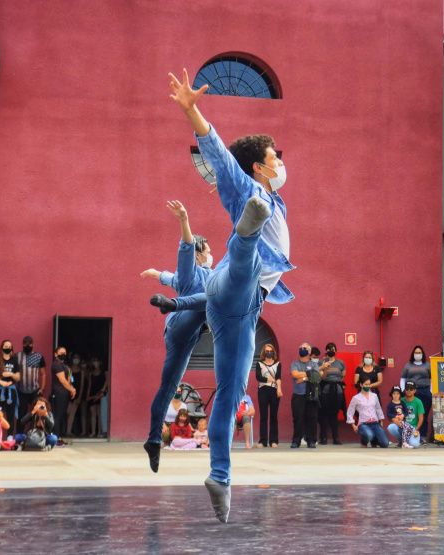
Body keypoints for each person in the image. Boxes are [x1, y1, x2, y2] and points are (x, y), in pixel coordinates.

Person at [168, 68, 296, 523]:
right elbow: (221, 156)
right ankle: (244, 236)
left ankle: (219, 478)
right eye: (274, 158)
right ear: (259, 167)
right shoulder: (245, 185)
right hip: (231, 278)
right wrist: (191, 109)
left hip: (238, 311)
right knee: (245, 258)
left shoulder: (275, 201)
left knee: (230, 392)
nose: (281, 163)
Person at [142, 199, 214, 471]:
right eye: (207, 250)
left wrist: (154, 273)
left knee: (168, 388)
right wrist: (184, 219)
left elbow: (167, 277)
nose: (211, 254)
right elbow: (186, 249)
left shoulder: (209, 274)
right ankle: (173, 304)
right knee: (212, 298)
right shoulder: (191, 271)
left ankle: (152, 441)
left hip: (185, 341)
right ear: (199, 254)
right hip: (179, 322)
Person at [0, 340, 21, 434]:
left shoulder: (14, 361)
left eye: (9, 346)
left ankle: (10, 436)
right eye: (5, 346)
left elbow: (18, 377)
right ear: (2, 347)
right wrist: (1, 382)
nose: (7, 348)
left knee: (10, 415)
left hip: (11, 390)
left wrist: (11, 374)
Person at [290, 344, 320, 449]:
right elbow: (294, 374)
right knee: (298, 418)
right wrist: (309, 374)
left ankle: (311, 440)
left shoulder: (314, 364)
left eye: (305, 348)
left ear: (309, 351)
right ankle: (296, 441)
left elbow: (316, 376)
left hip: (311, 395)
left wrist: (302, 378)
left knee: (312, 418)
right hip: (298, 395)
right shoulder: (295, 363)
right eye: (300, 348)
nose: (302, 350)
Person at [400, 346, 432, 441]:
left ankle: (423, 437)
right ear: (413, 354)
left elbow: (432, 379)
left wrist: (431, 391)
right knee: (410, 414)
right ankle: (409, 435)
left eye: (419, 352)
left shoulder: (427, 365)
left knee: (424, 415)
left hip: (425, 391)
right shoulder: (408, 366)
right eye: (416, 352)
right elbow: (403, 379)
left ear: (422, 354)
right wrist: (403, 390)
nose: (418, 354)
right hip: (411, 392)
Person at [16, 336, 46, 435]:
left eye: (29, 343)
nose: (27, 345)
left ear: (33, 344)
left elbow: (43, 374)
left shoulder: (39, 357)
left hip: (35, 390)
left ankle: (35, 434)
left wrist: (42, 388)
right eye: (25, 343)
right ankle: (19, 435)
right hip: (21, 390)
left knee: (37, 413)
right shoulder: (17, 356)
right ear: (22, 344)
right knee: (21, 414)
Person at [318, 342, 345, 446]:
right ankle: (323, 437)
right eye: (329, 349)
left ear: (336, 351)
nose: (331, 350)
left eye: (333, 349)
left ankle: (336, 438)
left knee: (334, 414)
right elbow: (322, 377)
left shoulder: (341, 363)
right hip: (325, 389)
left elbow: (343, 376)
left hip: (337, 390)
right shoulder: (321, 362)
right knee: (324, 415)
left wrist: (337, 381)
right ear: (326, 351)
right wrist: (326, 369)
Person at [255, 344, 282, 447]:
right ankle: (263, 440)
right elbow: (259, 377)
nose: (269, 353)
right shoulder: (259, 364)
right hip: (263, 390)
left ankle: (274, 440)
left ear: (273, 352)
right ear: (264, 352)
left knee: (274, 416)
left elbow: (279, 377)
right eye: (267, 351)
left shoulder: (278, 364)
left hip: (274, 390)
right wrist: (271, 379)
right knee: (263, 416)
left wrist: (279, 388)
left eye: (270, 351)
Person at [346, 383, 388, 448]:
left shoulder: (374, 396)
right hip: (363, 423)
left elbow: (378, 408)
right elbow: (350, 411)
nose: (367, 386)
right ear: (361, 385)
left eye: (369, 384)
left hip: (375, 422)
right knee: (369, 435)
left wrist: (381, 420)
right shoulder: (356, 398)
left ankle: (374, 441)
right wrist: (353, 424)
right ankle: (364, 442)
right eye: (366, 384)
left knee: (385, 443)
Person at [49, 346, 76, 445]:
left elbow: (69, 379)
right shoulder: (56, 365)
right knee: (57, 416)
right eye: (60, 352)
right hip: (58, 393)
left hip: (65, 393)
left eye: (64, 352)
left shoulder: (65, 365)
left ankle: (59, 437)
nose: (63, 354)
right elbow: (62, 381)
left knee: (62, 416)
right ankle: (56, 438)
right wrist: (72, 389)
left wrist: (71, 387)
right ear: (55, 354)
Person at [66, 357, 88, 437]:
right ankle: (66, 430)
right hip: (69, 392)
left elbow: (82, 385)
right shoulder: (70, 370)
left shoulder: (81, 371)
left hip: (77, 394)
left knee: (73, 413)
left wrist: (79, 396)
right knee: (68, 412)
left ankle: (68, 431)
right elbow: (70, 381)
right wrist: (70, 390)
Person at [86, 360, 108, 438]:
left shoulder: (104, 372)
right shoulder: (91, 373)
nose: (96, 362)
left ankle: (100, 431)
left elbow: (107, 380)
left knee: (100, 414)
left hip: (101, 393)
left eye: (97, 361)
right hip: (92, 393)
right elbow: (89, 385)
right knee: (93, 414)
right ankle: (93, 432)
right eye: (94, 361)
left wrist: (103, 390)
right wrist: (88, 395)